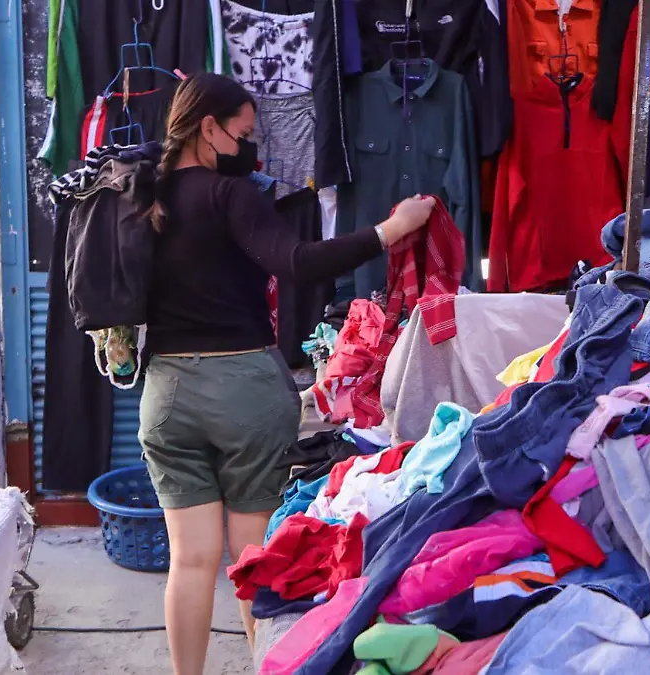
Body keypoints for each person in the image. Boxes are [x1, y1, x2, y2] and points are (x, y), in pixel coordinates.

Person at [138, 73, 436, 675]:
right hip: (242, 390)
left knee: (188, 562)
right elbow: (296, 263)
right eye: (244, 133)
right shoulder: (231, 195)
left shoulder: (145, 194)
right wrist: (391, 229)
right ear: (209, 128)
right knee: (253, 556)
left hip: (165, 392)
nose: (253, 147)